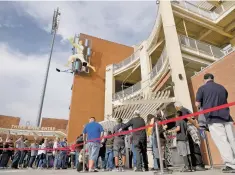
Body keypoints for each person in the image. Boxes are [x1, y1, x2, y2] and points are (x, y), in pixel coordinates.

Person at [195, 73, 235, 173]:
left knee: (222, 141)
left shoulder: (202, 88)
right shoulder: (222, 88)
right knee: (232, 140)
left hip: (213, 118)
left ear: (204, 80)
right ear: (213, 79)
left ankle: (231, 165)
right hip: (227, 118)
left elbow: (197, 104)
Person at [174, 102, 205, 171]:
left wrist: (195, 125)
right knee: (194, 146)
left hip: (191, 129)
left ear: (177, 107)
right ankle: (197, 165)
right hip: (193, 128)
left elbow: (189, 118)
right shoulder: (186, 109)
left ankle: (198, 165)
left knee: (194, 146)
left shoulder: (182, 110)